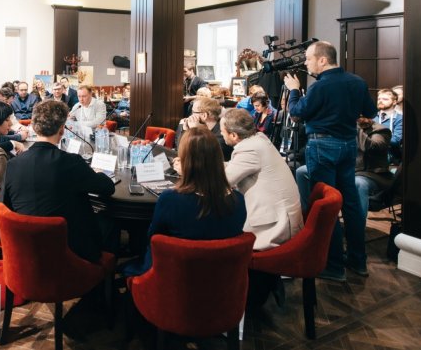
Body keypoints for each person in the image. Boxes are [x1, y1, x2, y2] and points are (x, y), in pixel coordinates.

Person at [284, 41, 376, 281]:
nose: (306, 63)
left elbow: (296, 113)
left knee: (327, 204)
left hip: (323, 146)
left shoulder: (320, 86)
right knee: (350, 204)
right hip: (348, 145)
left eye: (308, 58)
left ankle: (334, 266)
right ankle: (358, 261)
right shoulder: (357, 82)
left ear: (322, 60)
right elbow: (371, 112)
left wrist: (294, 90)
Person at [0, 100, 116, 263]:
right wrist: (99, 172)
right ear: (62, 129)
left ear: (34, 127)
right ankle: (104, 276)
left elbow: (5, 206)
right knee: (110, 222)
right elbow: (108, 188)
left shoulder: (12, 164)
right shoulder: (71, 162)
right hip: (69, 253)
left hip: (25, 249)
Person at [122, 127, 246, 277]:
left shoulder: (171, 200)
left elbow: (153, 238)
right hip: (222, 280)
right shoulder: (239, 200)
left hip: (172, 278)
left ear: (185, 161)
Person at [221, 108, 303, 251]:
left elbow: (221, 183)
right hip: (283, 217)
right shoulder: (258, 139)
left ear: (233, 135)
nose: (221, 135)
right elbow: (234, 166)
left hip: (276, 229)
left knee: (220, 232)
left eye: (222, 132)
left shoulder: (249, 150)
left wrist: (191, 170)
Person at [175, 97, 232, 161]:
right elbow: (178, 150)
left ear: (204, 115)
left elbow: (196, 157)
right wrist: (184, 130)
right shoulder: (204, 128)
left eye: (193, 112)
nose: (190, 116)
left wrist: (194, 132)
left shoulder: (222, 135)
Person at [374, 88, 403, 163]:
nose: (380, 101)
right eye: (379, 99)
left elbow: (396, 140)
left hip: (391, 160)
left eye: (385, 99)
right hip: (372, 159)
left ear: (394, 102)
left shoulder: (399, 118)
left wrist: (374, 139)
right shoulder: (372, 117)